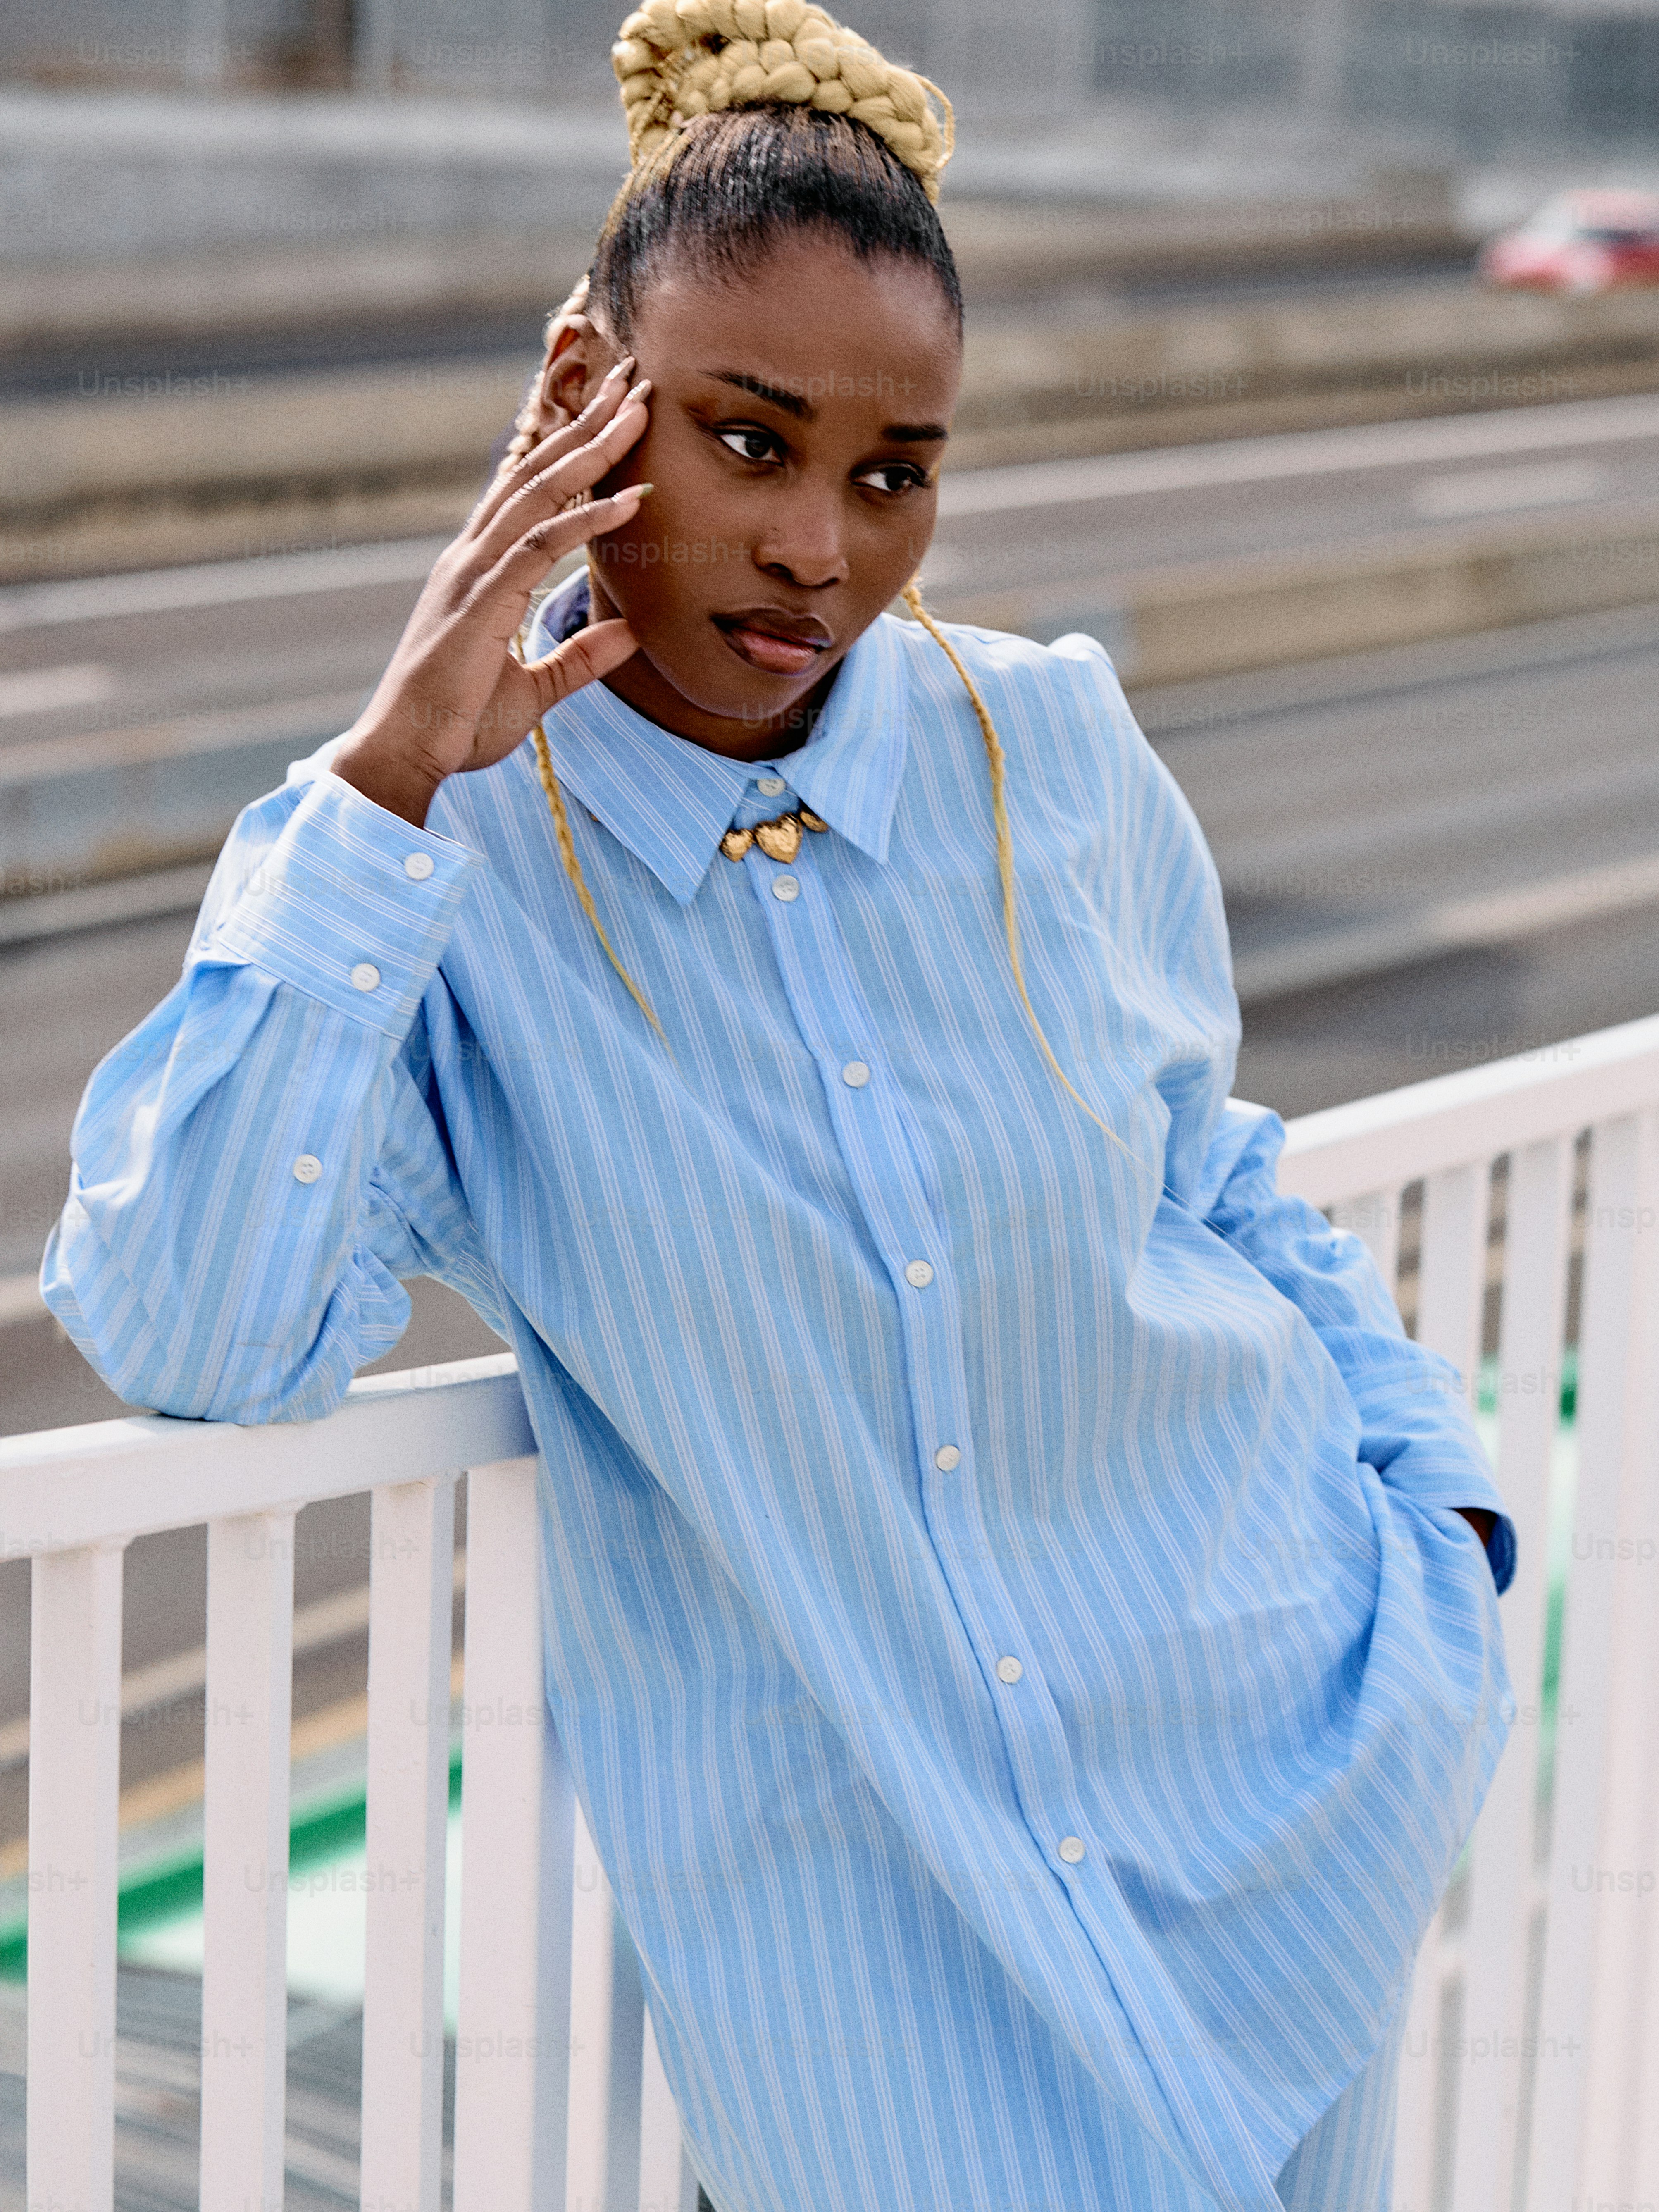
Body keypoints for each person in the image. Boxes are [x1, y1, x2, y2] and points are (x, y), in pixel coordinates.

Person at [42, 5, 1515, 2206]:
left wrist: (1453, 1538)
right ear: (579, 398)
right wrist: (382, 777)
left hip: (1291, 1831)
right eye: (749, 443)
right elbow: (185, 1327)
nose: (822, 543)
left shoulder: (1051, 748)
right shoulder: (454, 880)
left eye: (892, 471)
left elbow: (1213, 1176)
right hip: (884, 2036)